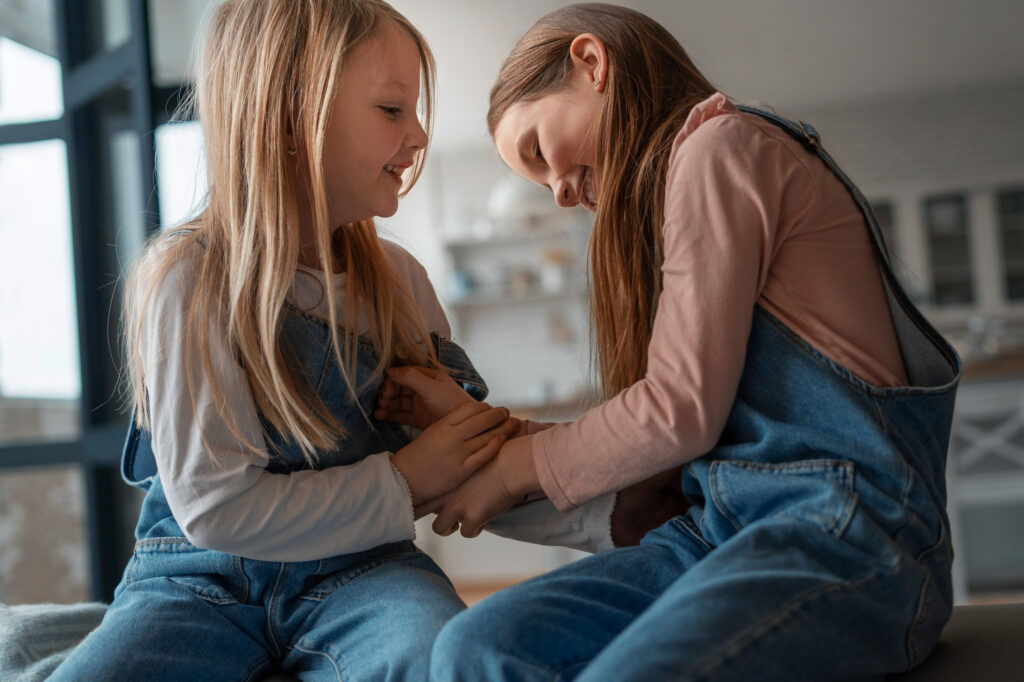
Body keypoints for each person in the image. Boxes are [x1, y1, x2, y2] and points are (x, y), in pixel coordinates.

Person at [377, 4, 962, 681]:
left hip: (849, 535)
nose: (562, 194)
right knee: (472, 648)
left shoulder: (723, 148)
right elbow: (648, 444)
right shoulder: (686, 189)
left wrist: (513, 469)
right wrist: (482, 432)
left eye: (540, 152)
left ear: (591, 64)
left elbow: (677, 410)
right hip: (717, 533)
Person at [49, 2, 619, 680]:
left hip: (365, 572)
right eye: (391, 110)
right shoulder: (188, 281)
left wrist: (622, 514)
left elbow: (468, 463)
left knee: (441, 656)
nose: (418, 134)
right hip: (194, 581)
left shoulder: (403, 284)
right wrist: (405, 482)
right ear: (292, 110)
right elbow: (216, 508)